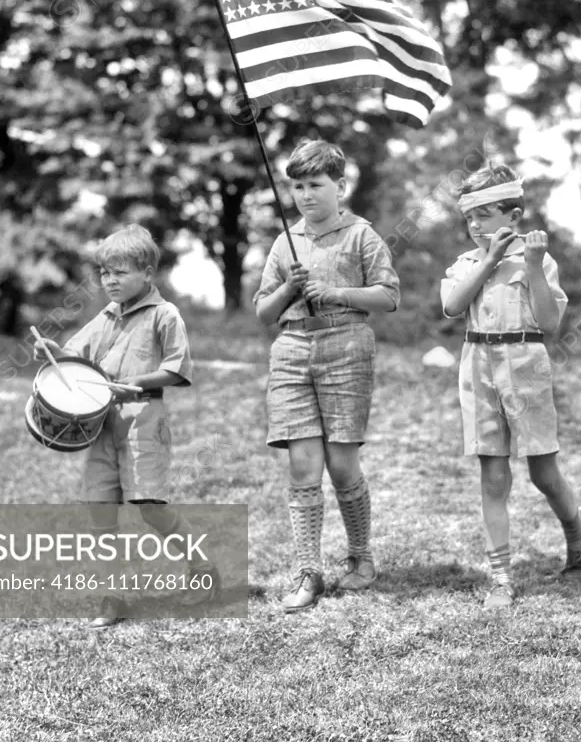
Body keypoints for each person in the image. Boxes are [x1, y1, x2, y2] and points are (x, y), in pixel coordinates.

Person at [33, 223, 218, 628]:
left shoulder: (164, 315)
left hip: (144, 420)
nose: (110, 280)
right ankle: (112, 595)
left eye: (120, 272)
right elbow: (72, 356)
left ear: (147, 274)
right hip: (101, 423)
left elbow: (176, 368)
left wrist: (138, 382)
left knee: (150, 507)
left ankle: (203, 568)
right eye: (104, 272)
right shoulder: (103, 318)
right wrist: (51, 352)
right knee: (100, 510)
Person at [254, 140, 400, 613]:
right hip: (293, 349)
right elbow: (263, 312)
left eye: (315, 185)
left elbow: (388, 296)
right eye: (296, 186)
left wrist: (336, 292)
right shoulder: (284, 242)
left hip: (346, 347)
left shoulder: (362, 236)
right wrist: (289, 289)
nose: (305, 195)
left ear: (340, 186)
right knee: (302, 466)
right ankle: (308, 571)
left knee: (341, 464)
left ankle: (361, 556)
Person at [439, 162, 581, 610]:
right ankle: (500, 577)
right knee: (493, 475)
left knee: (544, 473)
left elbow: (549, 322)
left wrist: (534, 266)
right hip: (478, 365)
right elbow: (451, 306)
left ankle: (577, 543)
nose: (474, 225)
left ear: (513, 216)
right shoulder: (466, 263)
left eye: (484, 215)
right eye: (469, 217)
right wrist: (487, 261)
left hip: (526, 365)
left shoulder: (538, 260)